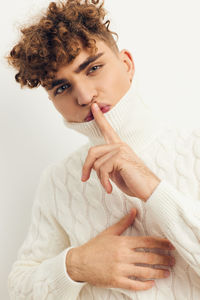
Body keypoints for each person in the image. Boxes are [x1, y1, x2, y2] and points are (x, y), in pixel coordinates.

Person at [6, 0, 200, 299]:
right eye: (61, 88)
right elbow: (18, 289)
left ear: (127, 64)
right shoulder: (58, 181)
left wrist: (153, 189)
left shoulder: (193, 148)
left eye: (93, 68)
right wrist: (76, 265)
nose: (83, 96)